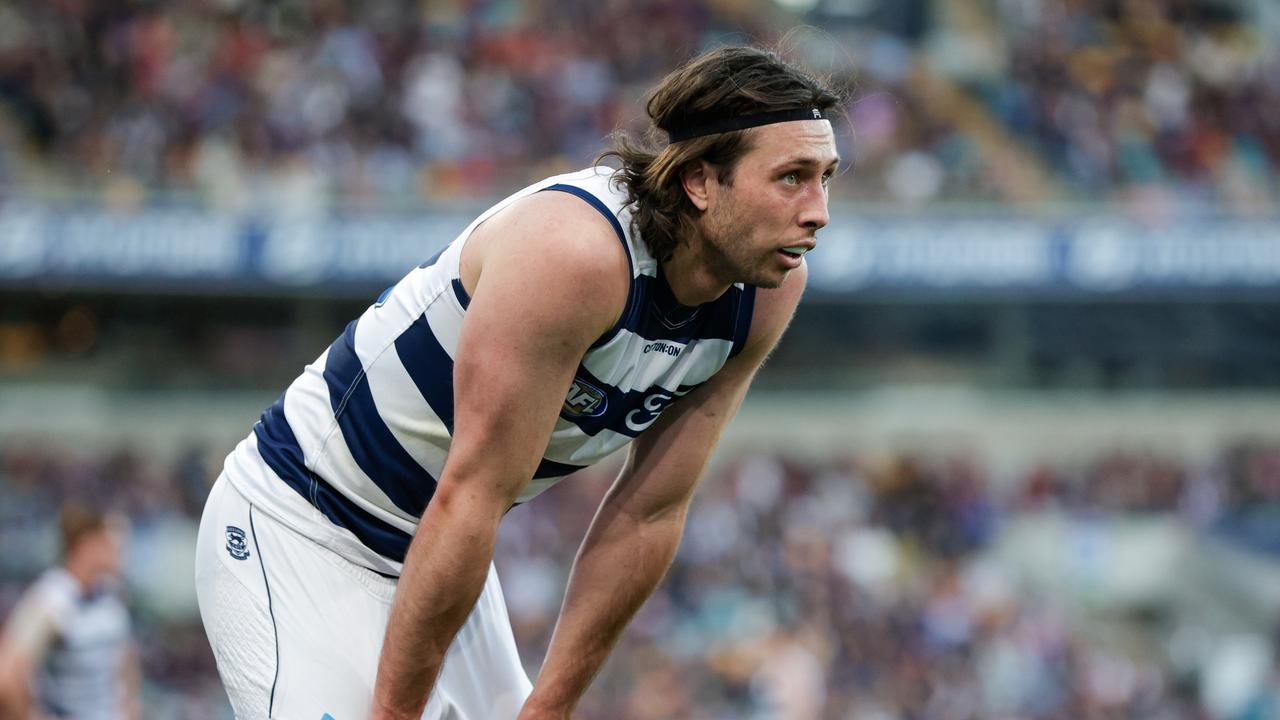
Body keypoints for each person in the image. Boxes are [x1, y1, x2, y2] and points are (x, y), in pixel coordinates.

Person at [194, 44, 842, 719]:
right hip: (301, 525)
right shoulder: (575, 253)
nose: (818, 210)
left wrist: (548, 707)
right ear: (701, 182)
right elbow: (469, 495)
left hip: (441, 552)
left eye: (826, 176)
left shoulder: (768, 289)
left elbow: (650, 511)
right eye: (791, 177)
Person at [0, 506, 139, 720]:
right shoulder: (51, 598)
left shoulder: (111, 594)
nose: (120, 550)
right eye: (110, 542)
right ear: (86, 544)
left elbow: (124, 663)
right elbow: (7, 678)